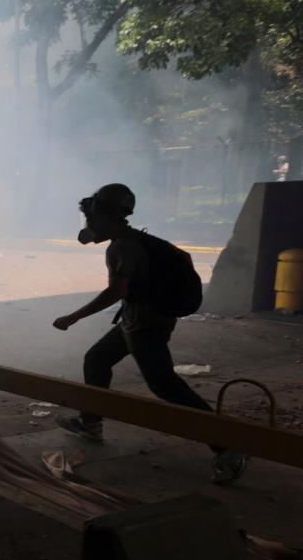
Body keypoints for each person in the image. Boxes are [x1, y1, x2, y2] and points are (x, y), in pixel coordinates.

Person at [51, 183, 249, 485]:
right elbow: (167, 269)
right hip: (139, 319)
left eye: (91, 219)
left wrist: (73, 317)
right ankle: (90, 422)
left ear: (108, 217)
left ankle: (228, 447)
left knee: (166, 385)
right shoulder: (136, 239)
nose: (88, 226)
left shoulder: (120, 246)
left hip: (145, 325)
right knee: (97, 359)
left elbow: (115, 292)